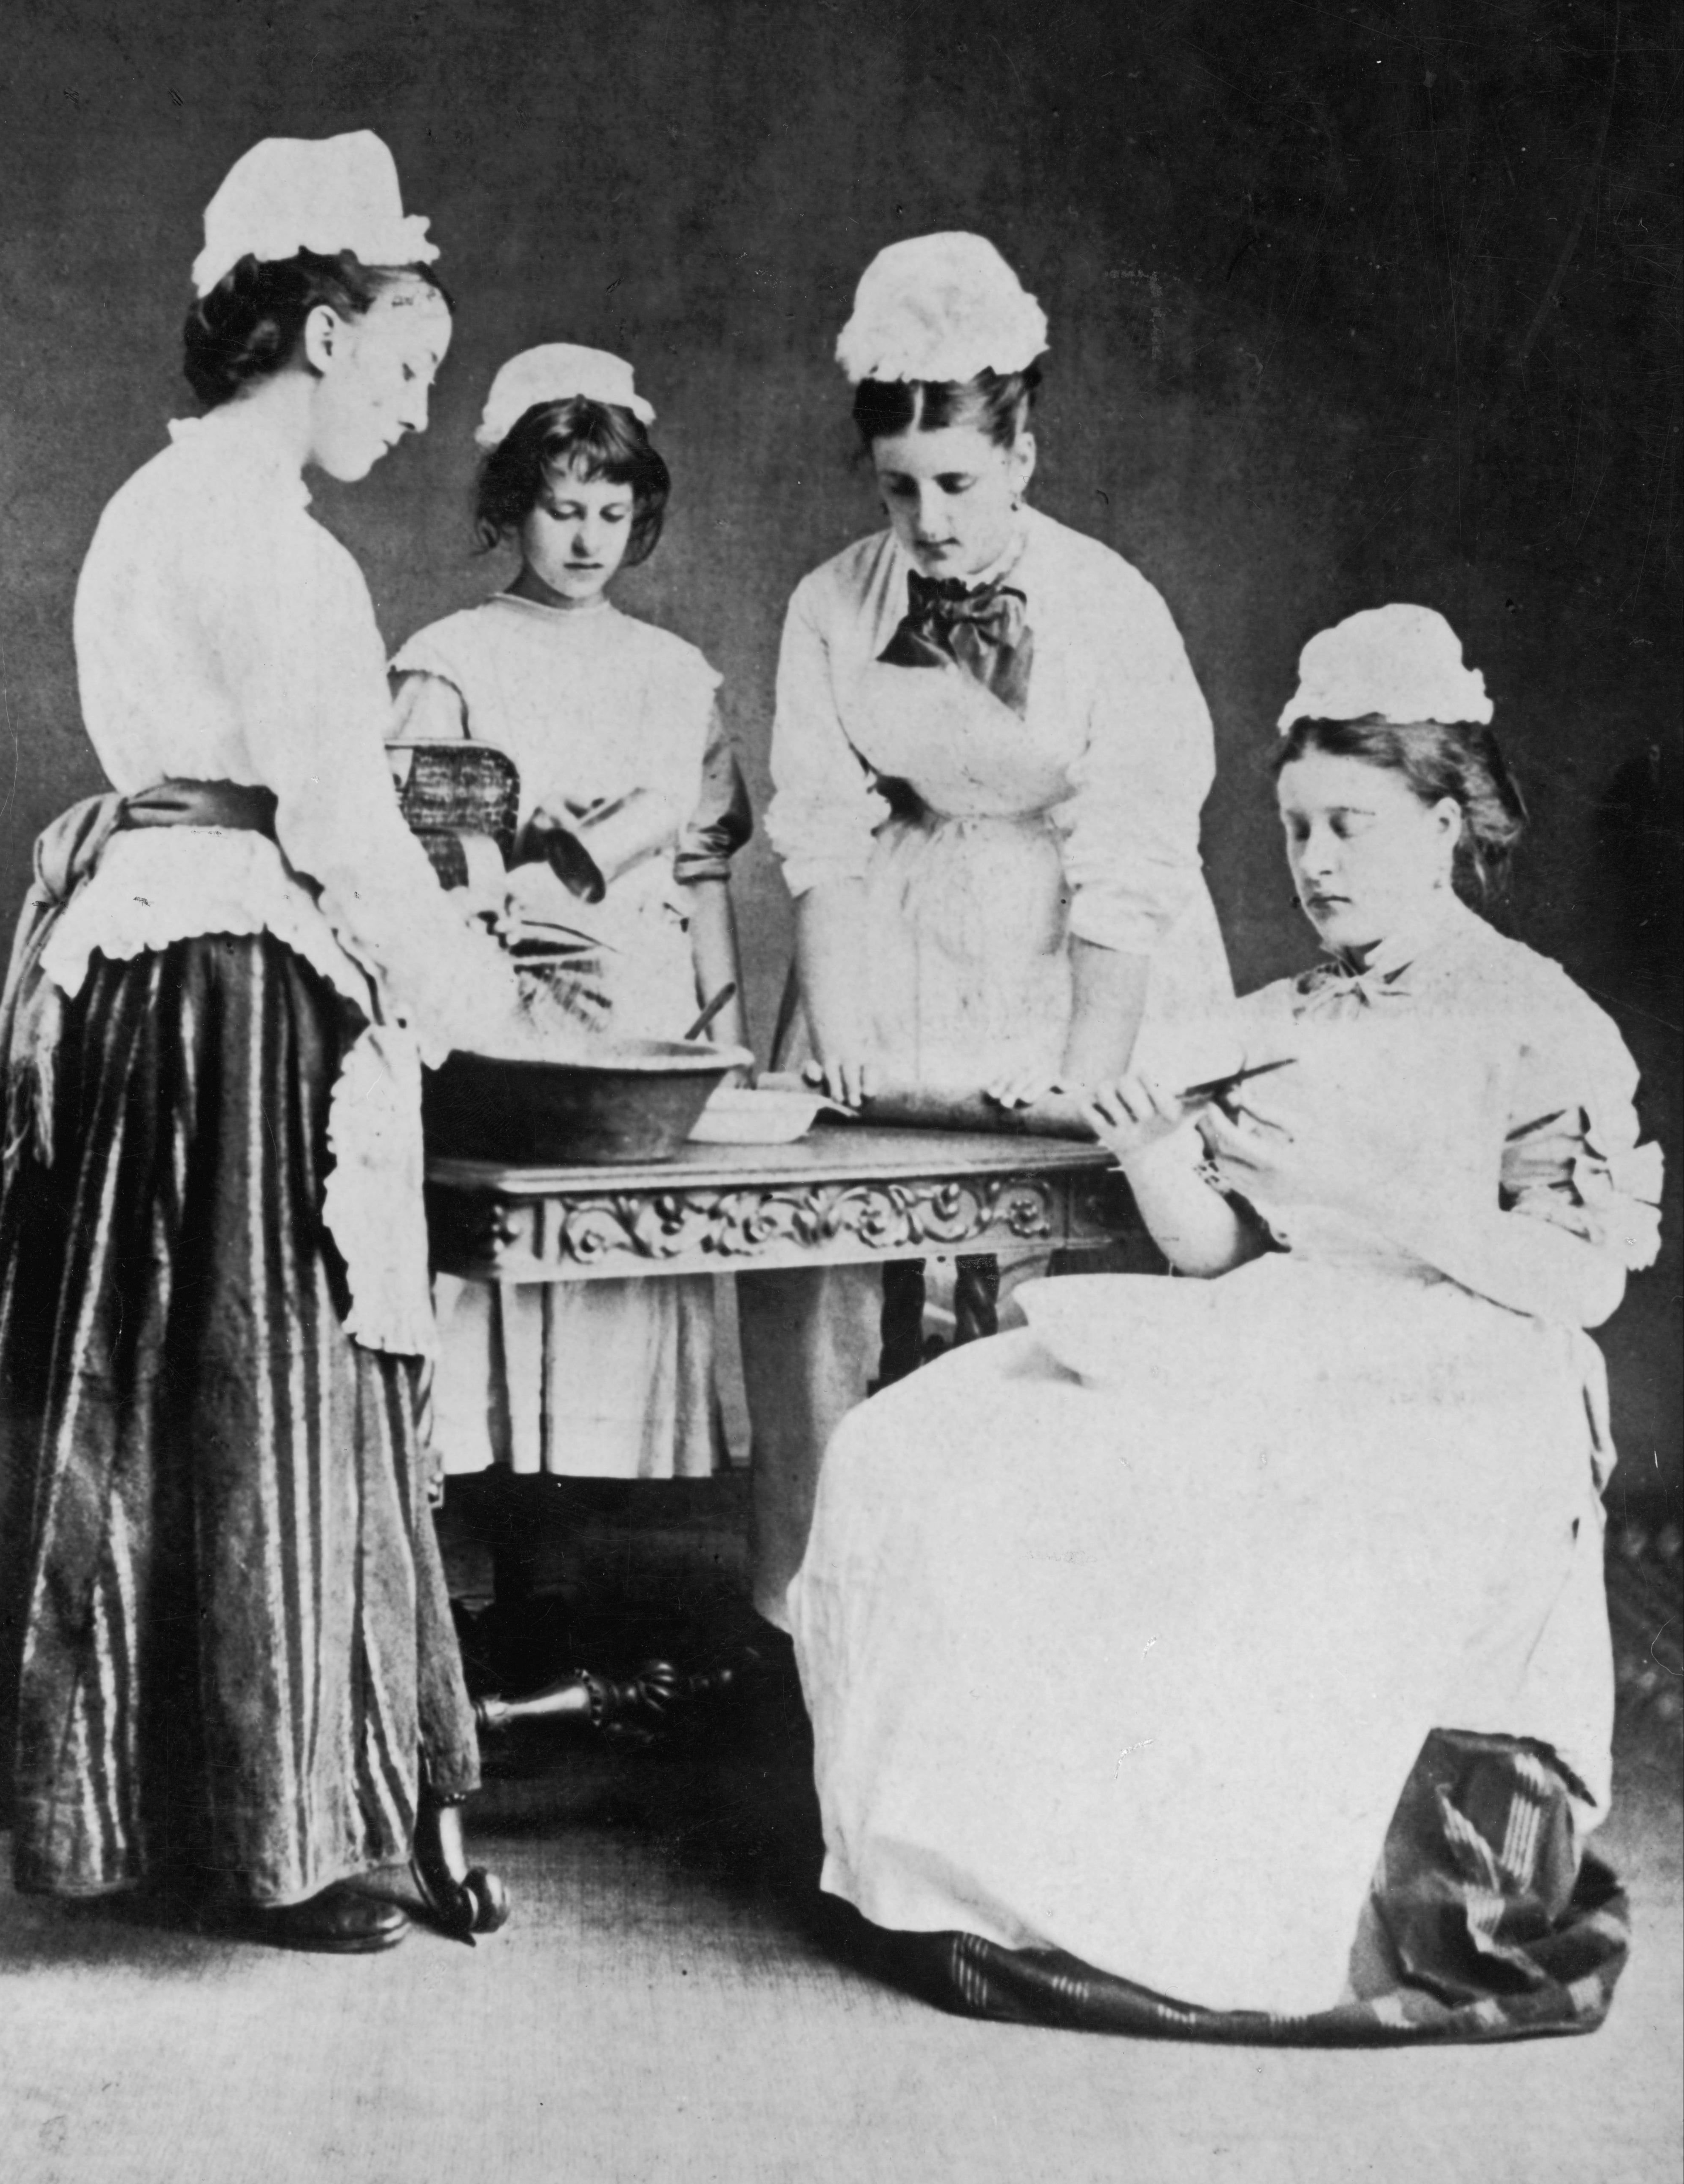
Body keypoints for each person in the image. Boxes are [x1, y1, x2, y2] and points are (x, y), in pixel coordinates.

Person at [788, 606, 1663, 2037]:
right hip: (1280, 1327)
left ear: (1446, 822)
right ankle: (987, 1874)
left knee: (1217, 1504)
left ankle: (1199, 1909)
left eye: (1349, 827)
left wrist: (1373, 1195)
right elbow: (1216, 1257)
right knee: (919, 1443)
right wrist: (1151, 1153)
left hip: (1468, 1364)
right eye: (1295, 829)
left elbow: (1580, 1284)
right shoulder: (1287, 1015)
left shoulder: (1536, 1020)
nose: (1312, 864)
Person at [0, 133, 518, 1954]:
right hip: (233, 981)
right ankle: (279, 1829)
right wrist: (466, 984)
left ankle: (161, 1800)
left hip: (136, 967)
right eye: (409, 367)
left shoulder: (148, 510)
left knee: (154, 1385)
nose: (417, 416)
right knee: (263, 1382)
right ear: (323, 333)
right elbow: (329, 814)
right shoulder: (272, 547)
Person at [740, 233, 1233, 1624]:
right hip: (888, 939)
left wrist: (1090, 1072)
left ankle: (1053, 1621)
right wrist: (837, 1043)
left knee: (1060, 1268)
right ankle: (834, 1618)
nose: (931, 520)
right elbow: (821, 830)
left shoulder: (1104, 604)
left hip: (1074, 946)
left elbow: (1131, 844)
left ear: (1022, 453)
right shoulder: (832, 604)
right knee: (830, 1260)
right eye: (899, 488)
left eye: (957, 482)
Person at [387, 344, 753, 1493]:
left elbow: (699, 873)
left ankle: (587, 1602)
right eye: (561, 509)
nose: (587, 539)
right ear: (512, 506)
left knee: (612, 1282)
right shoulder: (448, 661)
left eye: (611, 510)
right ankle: (503, 1587)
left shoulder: (673, 673)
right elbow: (405, 846)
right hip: (492, 1006)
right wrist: (503, 840)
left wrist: (723, 1036)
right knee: (495, 1270)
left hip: (637, 1017)